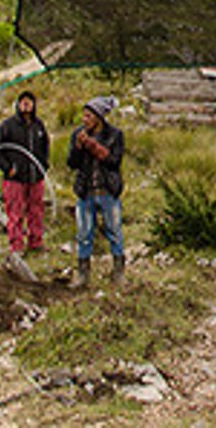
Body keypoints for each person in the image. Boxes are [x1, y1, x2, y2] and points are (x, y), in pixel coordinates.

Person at [67, 96, 125, 287]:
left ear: (99, 116)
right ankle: (83, 275)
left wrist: (93, 146)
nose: (84, 120)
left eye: (88, 116)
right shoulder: (78, 134)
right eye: (84, 116)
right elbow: (72, 163)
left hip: (108, 190)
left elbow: (114, 161)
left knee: (114, 231)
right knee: (84, 234)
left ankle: (118, 273)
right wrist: (78, 147)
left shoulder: (115, 135)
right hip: (86, 192)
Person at [0, 90, 50, 254]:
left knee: (36, 211)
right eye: (23, 102)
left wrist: (43, 167)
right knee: (15, 212)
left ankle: (36, 242)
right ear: (17, 105)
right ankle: (16, 245)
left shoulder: (38, 126)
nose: (26, 105)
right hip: (15, 179)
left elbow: (45, 147)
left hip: (35, 177)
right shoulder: (7, 126)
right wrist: (8, 168)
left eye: (29, 102)